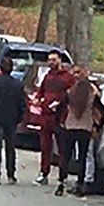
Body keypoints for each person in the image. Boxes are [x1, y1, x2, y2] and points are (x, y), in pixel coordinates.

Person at [54, 66, 104, 197]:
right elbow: (103, 112)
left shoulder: (70, 93)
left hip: (70, 127)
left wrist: (59, 123)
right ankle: (80, 184)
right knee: (82, 157)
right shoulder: (91, 95)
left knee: (65, 155)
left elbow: (59, 108)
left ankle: (61, 183)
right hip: (86, 128)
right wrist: (97, 126)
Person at [33, 50, 76, 186]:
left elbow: (72, 95)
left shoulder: (68, 78)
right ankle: (43, 173)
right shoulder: (47, 77)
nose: (51, 62)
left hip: (60, 117)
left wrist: (62, 103)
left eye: (54, 59)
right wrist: (38, 100)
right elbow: (41, 92)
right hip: (46, 117)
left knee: (62, 147)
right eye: (49, 60)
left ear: (60, 61)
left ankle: (62, 175)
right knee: (45, 146)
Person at [0, 57, 26, 185]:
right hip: (11, 119)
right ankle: (11, 174)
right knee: (10, 147)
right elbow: (21, 103)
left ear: (0, 69)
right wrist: (19, 117)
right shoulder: (17, 85)